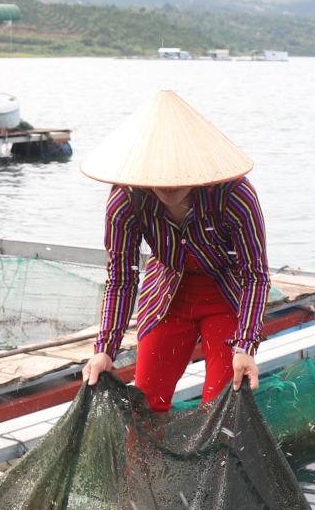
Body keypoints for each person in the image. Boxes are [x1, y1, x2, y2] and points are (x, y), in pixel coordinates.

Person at [79, 90, 268, 411]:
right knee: (148, 400)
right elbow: (122, 279)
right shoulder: (125, 200)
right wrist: (105, 349)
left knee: (221, 402)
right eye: (156, 172)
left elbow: (255, 275)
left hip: (224, 293)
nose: (166, 183)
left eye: (176, 171)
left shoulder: (235, 195)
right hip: (166, 293)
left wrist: (246, 344)